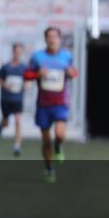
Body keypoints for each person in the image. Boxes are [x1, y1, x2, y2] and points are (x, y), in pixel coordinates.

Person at [25, 26, 78, 183]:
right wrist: (37, 74)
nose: (52, 39)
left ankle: (59, 147)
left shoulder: (66, 56)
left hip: (61, 103)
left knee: (60, 134)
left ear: (59, 39)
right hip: (43, 104)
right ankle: (49, 168)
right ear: (45, 39)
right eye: (49, 36)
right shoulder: (37, 57)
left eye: (55, 36)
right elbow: (26, 75)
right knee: (46, 139)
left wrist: (70, 73)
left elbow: (74, 72)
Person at [0, 42, 29, 156]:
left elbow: (28, 81)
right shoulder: (6, 67)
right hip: (6, 99)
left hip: (18, 99)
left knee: (18, 121)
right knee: (6, 122)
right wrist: (5, 84)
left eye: (20, 51)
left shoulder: (24, 68)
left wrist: (26, 85)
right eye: (16, 51)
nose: (18, 53)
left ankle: (17, 146)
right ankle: (1, 125)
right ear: (13, 51)